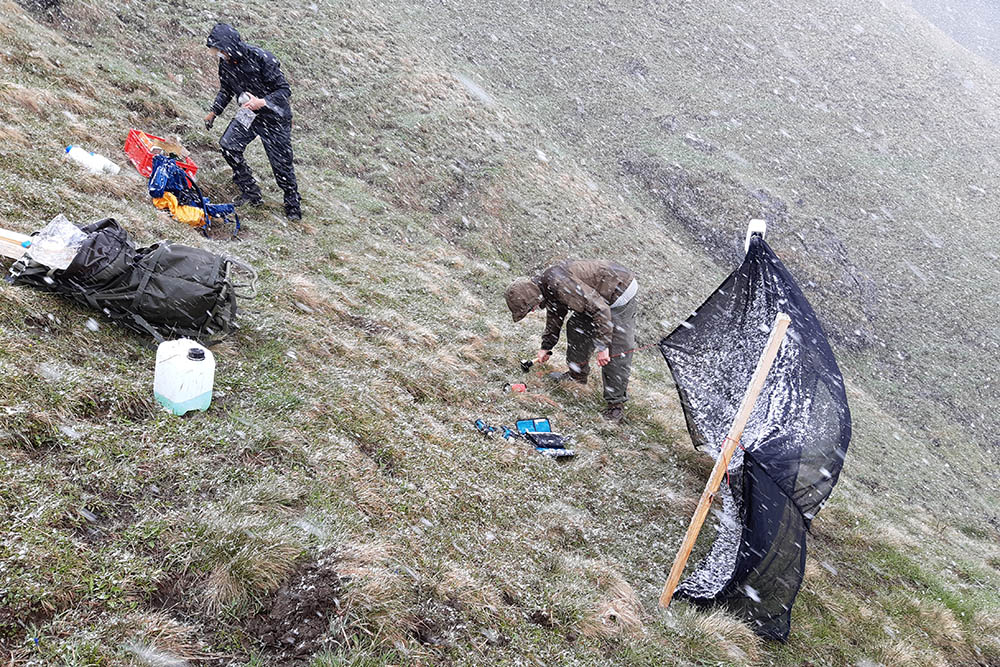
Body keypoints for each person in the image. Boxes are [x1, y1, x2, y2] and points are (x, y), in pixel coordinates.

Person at [505, 260, 638, 423]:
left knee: (615, 349)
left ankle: (615, 406)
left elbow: (601, 309)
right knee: (576, 327)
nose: (532, 311)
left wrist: (603, 345)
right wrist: (546, 346)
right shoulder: (548, 288)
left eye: (529, 308)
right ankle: (577, 375)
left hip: (618, 291)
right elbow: (555, 314)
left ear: (533, 298)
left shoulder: (560, 285)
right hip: (594, 298)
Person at [203, 23, 302, 221]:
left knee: (281, 164)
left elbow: (284, 91)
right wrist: (214, 111)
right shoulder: (226, 64)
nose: (219, 55)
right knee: (228, 146)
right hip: (249, 114)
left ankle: (292, 203)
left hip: (274, 118)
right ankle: (250, 190)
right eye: (217, 51)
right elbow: (226, 89)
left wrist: (262, 102)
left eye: (221, 50)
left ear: (230, 46)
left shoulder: (262, 59)